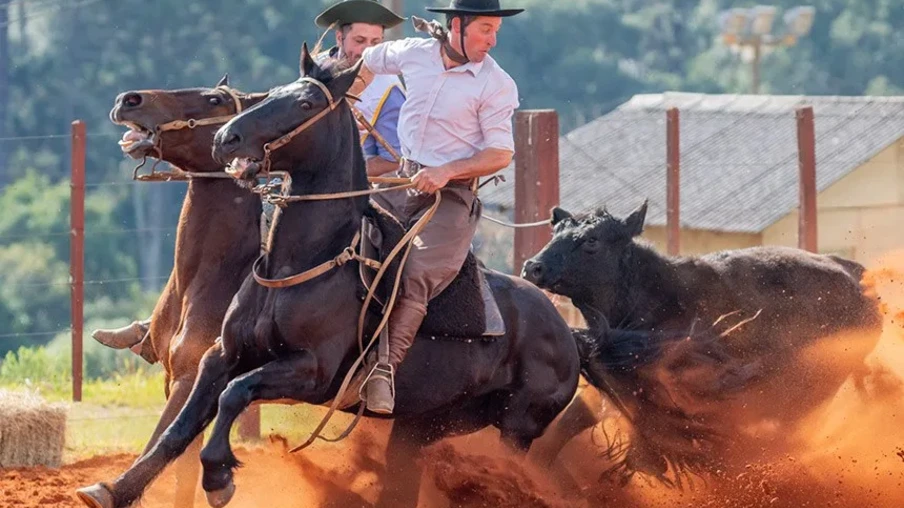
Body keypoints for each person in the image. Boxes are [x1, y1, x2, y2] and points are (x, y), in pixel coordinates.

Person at [90, 0, 409, 351]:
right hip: (297, 187)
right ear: (339, 37)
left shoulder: (389, 89)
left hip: (355, 195)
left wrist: (342, 172)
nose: (367, 50)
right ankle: (160, 325)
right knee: (219, 233)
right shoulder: (315, 76)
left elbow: (392, 160)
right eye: (360, 41)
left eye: (376, 43)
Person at [350, 0, 523, 414]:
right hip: (397, 181)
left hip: (452, 196)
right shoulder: (413, 53)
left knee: (418, 270)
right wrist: (350, 101)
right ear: (457, 25)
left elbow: (500, 153)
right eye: (485, 29)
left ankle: (383, 371)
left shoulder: (497, 84)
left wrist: (447, 171)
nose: (492, 40)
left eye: (495, 30)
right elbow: (367, 60)